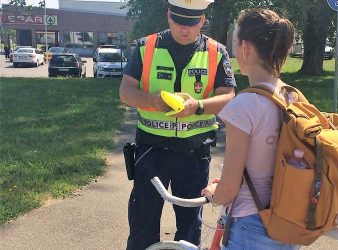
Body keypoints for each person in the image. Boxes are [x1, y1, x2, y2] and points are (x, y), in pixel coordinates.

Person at [119, 0, 236, 248]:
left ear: (202, 20)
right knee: (143, 221)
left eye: (192, 23)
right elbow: (126, 92)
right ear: (168, 16)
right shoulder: (145, 47)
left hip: (194, 153)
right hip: (151, 150)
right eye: (179, 21)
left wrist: (199, 106)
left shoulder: (217, 51)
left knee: (190, 224)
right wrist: (151, 101)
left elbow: (228, 95)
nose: (185, 28)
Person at [201, 8, 299, 250]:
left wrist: (214, 192)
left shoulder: (244, 105)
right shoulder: (292, 96)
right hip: (289, 222)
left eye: (235, 42)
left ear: (245, 48)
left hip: (251, 226)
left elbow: (230, 189)